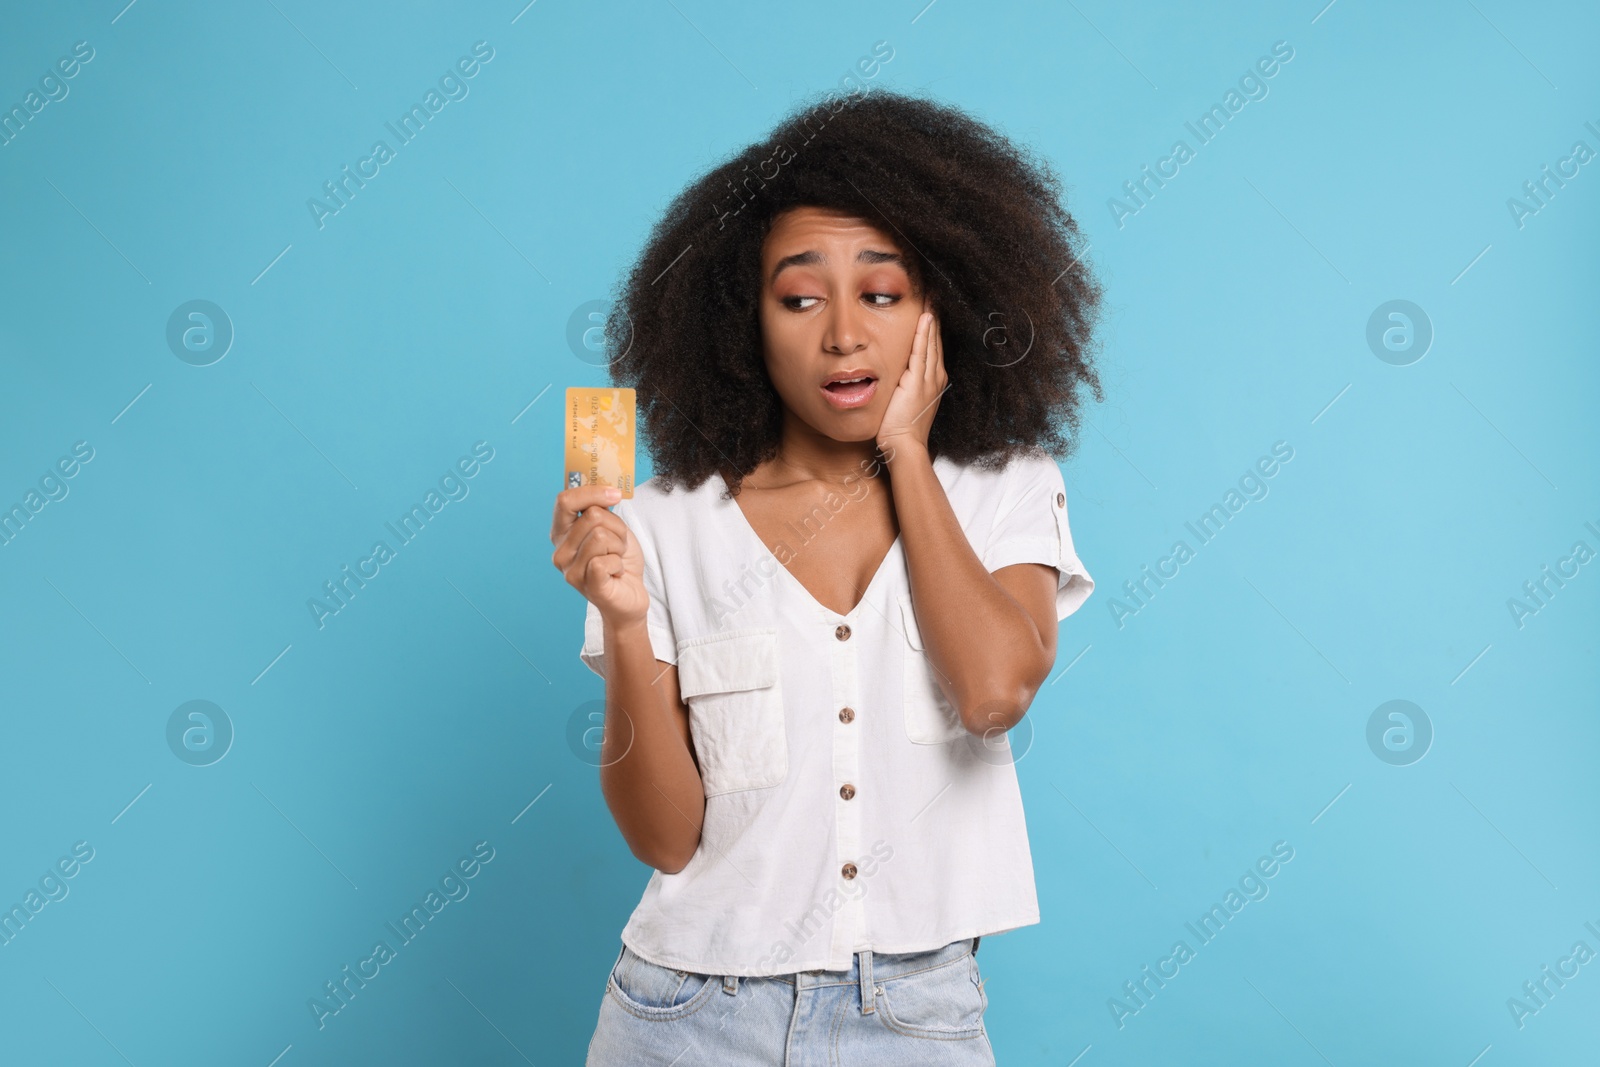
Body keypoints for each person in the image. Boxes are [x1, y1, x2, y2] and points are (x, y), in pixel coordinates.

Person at [550, 87, 1102, 1065]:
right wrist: (628, 623)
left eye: (882, 295)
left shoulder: (1002, 487)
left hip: (912, 1017)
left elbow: (992, 691)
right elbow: (666, 840)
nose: (843, 333)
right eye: (799, 298)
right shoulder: (664, 521)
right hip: (682, 1014)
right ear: (741, 321)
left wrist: (905, 451)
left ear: (943, 306)